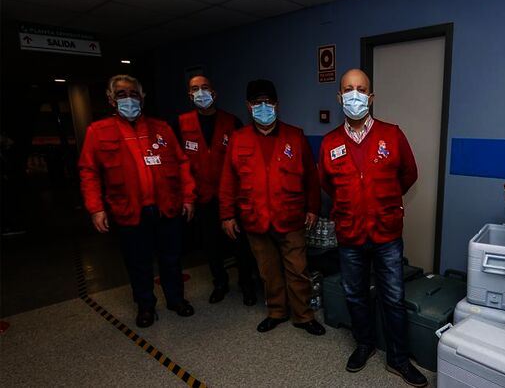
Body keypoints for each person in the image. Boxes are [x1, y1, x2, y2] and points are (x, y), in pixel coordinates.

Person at [318, 69, 426, 387]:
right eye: (348, 89)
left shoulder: (392, 135)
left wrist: (386, 200)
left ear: (371, 97)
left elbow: (409, 174)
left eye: (361, 89)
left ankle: (398, 358)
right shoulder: (330, 142)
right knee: (355, 295)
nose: (355, 95)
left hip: (386, 232)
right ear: (340, 97)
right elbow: (327, 184)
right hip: (350, 233)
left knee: (393, 296)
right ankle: (364, 345)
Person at [79, 74, 196, 328]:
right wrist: (96, 208)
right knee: (138, 263)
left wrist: (188, 197)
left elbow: (182, 163)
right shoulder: (98, 132)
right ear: (111, 100)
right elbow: (89, 172)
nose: (128, 99)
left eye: (133, 94)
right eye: (121, 94)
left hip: (167, 208)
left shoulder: (161, 128)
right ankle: (145, 306)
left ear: (142, 98)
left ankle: (176, 300)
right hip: (129, 212)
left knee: (171, 259)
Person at [219, 79, 325, 336]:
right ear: (248, 106)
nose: (263, 107)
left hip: (290, 216)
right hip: (255, 218)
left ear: (277, 105)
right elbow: (228, 180)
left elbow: (311, 177)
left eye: (268, 102)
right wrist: (226, 215)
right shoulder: (238, 139)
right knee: (268, 271)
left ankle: (303, 315)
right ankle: (277, 311)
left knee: (298, 270)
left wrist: (312, 207)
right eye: (257, 102)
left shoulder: (295, 136)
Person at [171, 74, 257, 306]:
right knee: (211, 245)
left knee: (240, 245)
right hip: (203, 197)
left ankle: (246, 284)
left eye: (205, 87)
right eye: (195, 89)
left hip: (231, 197)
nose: (201, 93)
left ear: (214, 93)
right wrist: (187, 197)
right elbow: (178, 164)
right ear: (189, 95)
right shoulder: (181, 124)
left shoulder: (231, 122)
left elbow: (244, 163)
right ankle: (220, 283)